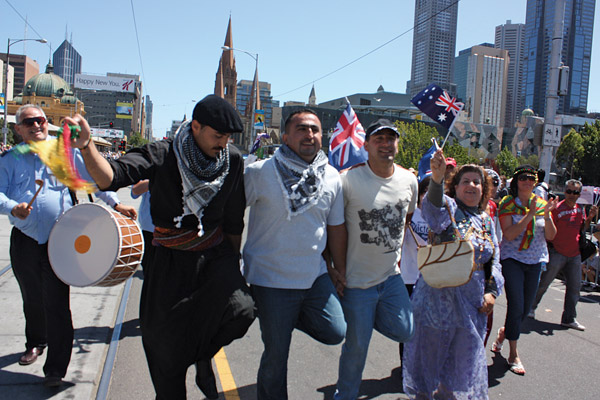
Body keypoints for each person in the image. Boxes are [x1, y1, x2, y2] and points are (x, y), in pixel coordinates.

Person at [68, 95, 256, 399]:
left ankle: (201, 356)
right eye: (217, 135)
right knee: (165, 350)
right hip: (168, 261)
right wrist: (87, 146)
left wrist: (233, 266)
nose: (224, 143)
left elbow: (234, 218)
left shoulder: (232, 160)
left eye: (228, 138)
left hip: (213, 255)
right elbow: (110, 178)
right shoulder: (162, 153)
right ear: (196, 126)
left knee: (242, 310)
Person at [0, 104, 136, 387]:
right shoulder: (9, 160)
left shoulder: (65, 152)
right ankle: (36, 342)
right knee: (31, 297)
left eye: (40, 120)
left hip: (59, 241)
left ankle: (55, 369)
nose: (36, 125)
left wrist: (116, 203)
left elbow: (93, 183)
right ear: (18, 129)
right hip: (24, 240)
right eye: (29, 122)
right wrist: (14, 208)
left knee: (57, 303)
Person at [243, 109, 347, 400]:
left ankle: (284, 319)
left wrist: (339, 268)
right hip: (271, 280)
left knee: (335, 331)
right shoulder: (259, 172)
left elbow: (335, 227)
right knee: (276, 358)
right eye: (301, 129)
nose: (309, 135)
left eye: (314, 130)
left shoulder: (332, 177)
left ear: (322, 137)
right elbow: (231, 214)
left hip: (315, 277)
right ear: (285, 137)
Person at [403, 150, 503, 400]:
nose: (472, 185)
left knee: (461, 362)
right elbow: (432, 210)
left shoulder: (486, 220)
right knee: (431, 360)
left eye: (477, 182)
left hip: (472, 304)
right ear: (455, 187)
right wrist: (436, 179)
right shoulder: (447, 209)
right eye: (466, 181)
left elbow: (494, 259)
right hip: (438, 300)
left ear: (484, 189)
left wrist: (491, 292)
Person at [333, 119, 416, 400]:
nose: (385, 144)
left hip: (391, 278)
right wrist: (335, 268)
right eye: (378, 139)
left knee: (406, 330)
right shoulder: (347, 179)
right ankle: (344, 395)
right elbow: (334, 226)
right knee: (357, 348)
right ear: (366, 145)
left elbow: (407, 217)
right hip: (357, 283)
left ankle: (366, 321)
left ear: (397, 144)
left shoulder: (409, 180)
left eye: (390, 139)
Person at [491, 165, 558, 376]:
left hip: (536, 261)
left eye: (532, 178)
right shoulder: (508, 203)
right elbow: (509, 235)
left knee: (526, 307)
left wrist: (546, 215)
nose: (528, 181)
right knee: (517, 305)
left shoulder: (541, 204)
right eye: (523, 178)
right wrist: (529, 215)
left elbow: (551, 236)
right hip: (513, 260)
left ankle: (504, 333)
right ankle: (513, 353)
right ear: (516, 181)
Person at [529, 179, 598, 330]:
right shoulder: (557, 208)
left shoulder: (580, 209)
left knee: (574, 288)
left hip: (574, 254)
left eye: (576, 192)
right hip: (557, 252)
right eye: (569, 191)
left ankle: (569, 318)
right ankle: (530, 308)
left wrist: (590, 218)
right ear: (565, 191)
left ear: (579, 194)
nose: (572, 195)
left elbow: (582, 228)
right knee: (544, 283)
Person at [130, 179, 154, 270]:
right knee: (149, 269)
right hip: (150, 230)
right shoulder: (151, 165)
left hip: (177, 231)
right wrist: (159, 176)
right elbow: (135, 190)